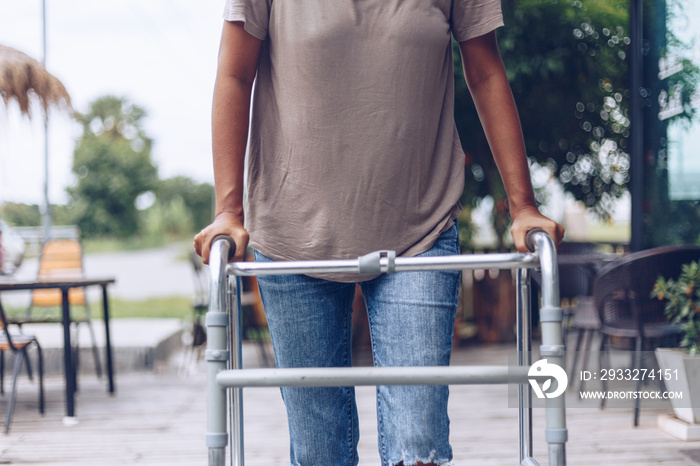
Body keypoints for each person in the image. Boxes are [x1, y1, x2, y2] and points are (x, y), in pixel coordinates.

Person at [194, 1, 565, 465]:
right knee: (318, 449)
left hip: (420, 228)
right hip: (293, 233)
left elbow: (486, 73)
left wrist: (523, 206)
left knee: (419, 445)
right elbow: (233, 75)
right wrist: (228, 210)